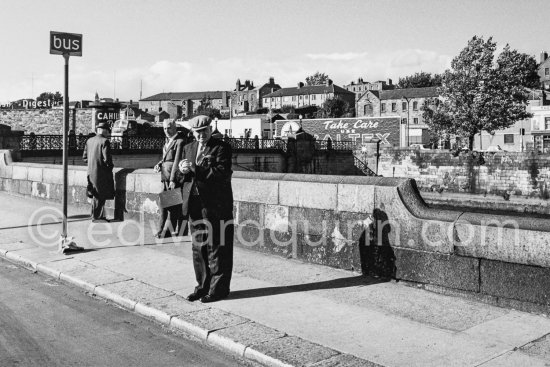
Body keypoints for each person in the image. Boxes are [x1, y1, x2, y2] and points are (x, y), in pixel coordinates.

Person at [179, 115, 234, 303]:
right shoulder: (188, 148)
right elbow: (184, 179)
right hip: (194, 205)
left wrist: (194, 168)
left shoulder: (222, 148)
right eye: (197, 132)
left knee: (218, 248)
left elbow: (221, 174)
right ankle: (202, 287)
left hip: (216, 206)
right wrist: (182, 170)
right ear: (192, 133)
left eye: (204, 131)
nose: (201, 135)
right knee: (198, 249)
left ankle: (218, 290)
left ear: (210, 130)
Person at [153, 119, 186, 238]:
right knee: (166, 204)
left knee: (172, 206)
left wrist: (173, 179)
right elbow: (166, 158)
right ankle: (163, 230)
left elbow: (176, 161)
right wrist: (159, 164)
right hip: (165, 178)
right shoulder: (167, 141)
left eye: (169, 128)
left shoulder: (179, 142)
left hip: (173, 178)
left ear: (175, 128)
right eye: (165, 128)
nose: (166, 131)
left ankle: (166, 231)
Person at [83, 122, 115, 223]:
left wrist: (93, 163)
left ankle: (94, 215)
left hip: (90, 173)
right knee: (100, 195)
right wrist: (109, 168)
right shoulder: (105, 141)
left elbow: (84, 158)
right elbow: (107, 160)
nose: (108, 133)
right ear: (104, 130)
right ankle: (97, 217)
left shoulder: (89, 141)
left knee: (94, 194)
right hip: (101, 173)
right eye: (108, 131)